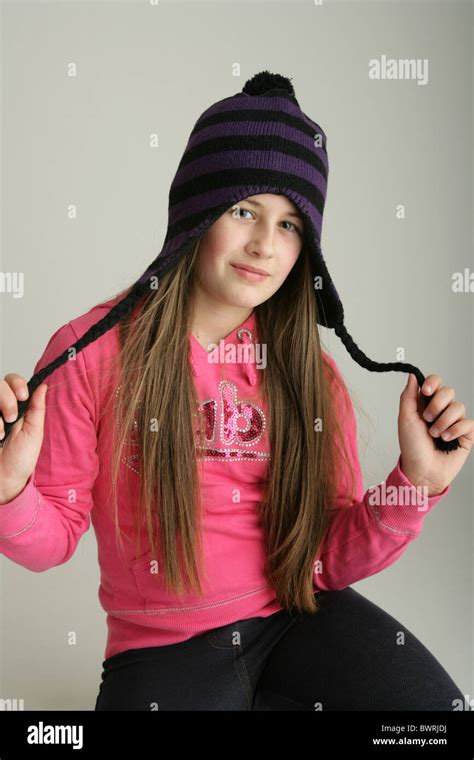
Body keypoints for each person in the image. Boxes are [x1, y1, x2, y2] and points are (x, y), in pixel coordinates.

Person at [0, 72, 471, 711]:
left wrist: (417, 480)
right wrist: (10, 490)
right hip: (163, 654)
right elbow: (51, 539)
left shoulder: (310, 378)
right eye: (243, 210)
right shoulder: (92, 353)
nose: (263, 246)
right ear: (196, 212)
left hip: (296, 621)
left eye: (290, 225)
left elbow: (325, 559)